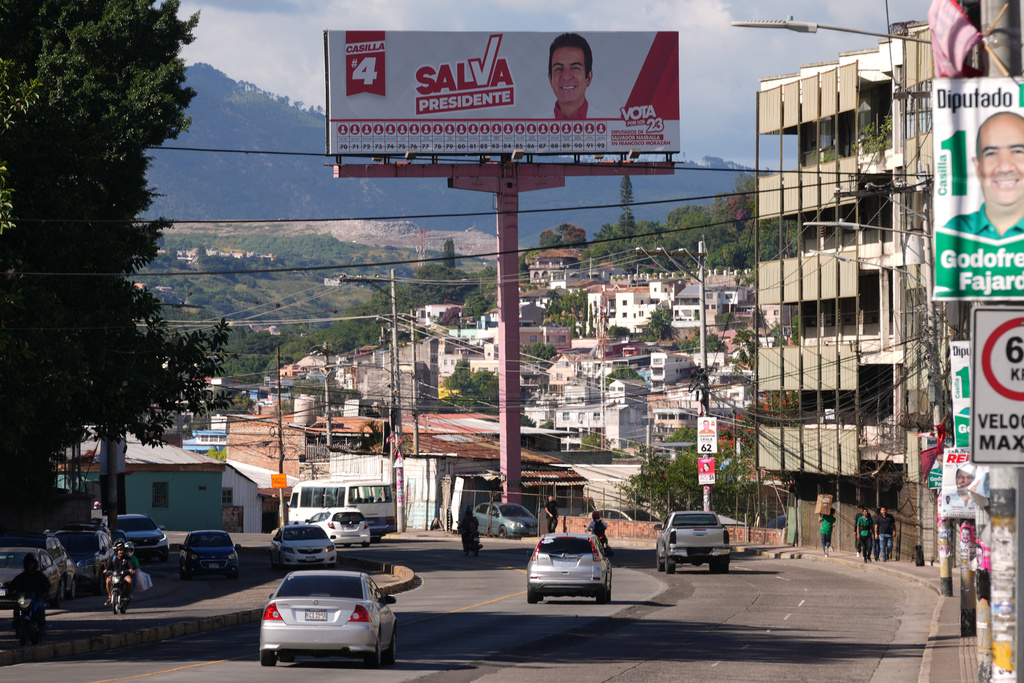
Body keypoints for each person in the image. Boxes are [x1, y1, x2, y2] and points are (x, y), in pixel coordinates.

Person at [945, 111, 1024, 239]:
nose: (1004, 168)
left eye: (1017, 151)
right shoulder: (956, 232)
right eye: (992, 153)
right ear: (978, 167)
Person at [548, 33, 592, 120]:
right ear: (550, 79)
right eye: (558, 69)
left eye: (575, 68)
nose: (566, 76)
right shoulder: (530, 127)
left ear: (588, 78)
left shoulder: (614, 126)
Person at [7, 553, 49, 629]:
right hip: (24, 599)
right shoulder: (22, 576)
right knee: (16, 608)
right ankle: (16, 623)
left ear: (35, 564)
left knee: (40, 607)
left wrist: (44, 593)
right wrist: (10, 591)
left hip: (36, 598)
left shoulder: (39, 576)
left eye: (31, 563)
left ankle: (42, 626)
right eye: (28, 563)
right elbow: (14, 584)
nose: (30, 565)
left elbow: (46, 584)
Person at [105, 541, 138, 606]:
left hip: (124, 575)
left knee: (130, 580)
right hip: (114, 575)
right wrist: (106, 570)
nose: (121, 552)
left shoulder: (127, 558)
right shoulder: (113, 558)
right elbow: (108, 567)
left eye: (122, 550)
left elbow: (131, 565)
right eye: (120, 550)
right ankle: (110, 597)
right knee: (108, 580)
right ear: (117, 551)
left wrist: (131, 569)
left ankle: (128, 597)